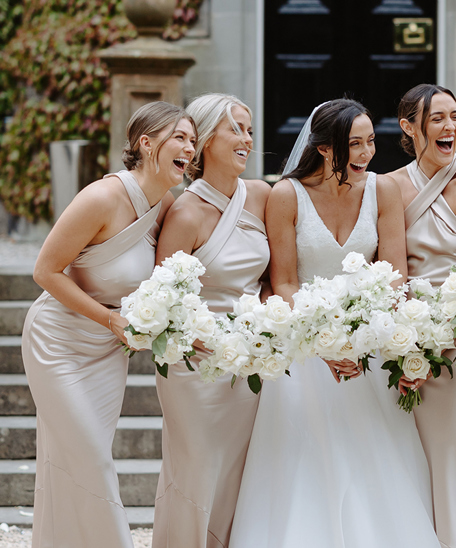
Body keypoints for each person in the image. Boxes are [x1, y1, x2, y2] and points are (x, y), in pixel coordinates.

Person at [228, 99, 440, 548]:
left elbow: (395, 274)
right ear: (324, 149)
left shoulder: (383, 191)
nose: (366, 154)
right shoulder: (288, 195)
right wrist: (325, 340)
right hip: (307, 349)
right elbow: (283, 282)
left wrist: (375, 341)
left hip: (371, 345)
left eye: (370, 142)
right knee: (308, 464)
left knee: (376, 462)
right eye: (354, 145)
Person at [21, 101, 196, 548]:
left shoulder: (166, 204)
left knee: (72, 461)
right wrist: (111, 319)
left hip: (104, 353)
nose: (190, 149)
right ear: (147, 142)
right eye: (181, 138)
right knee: (92, 460)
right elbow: (44, 271)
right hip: (58, 340)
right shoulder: (101, 197)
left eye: (193, 141)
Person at [151, 94, 270, 548]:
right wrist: (200, 341)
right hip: (194, 364)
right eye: (236, 129)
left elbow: (273, 281)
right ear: (203, 141)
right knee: (195, 467)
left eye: (249, 129)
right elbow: (165, 302)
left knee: (237, 470)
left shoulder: (259, 196)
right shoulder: (185, 213)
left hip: (250, 357)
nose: (247, 139)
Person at [382, 83, 456, 548]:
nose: (449, 126)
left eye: (455, 116)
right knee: (403, 457)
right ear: (409, 127)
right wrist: (408, 341)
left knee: (453, 455)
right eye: (437, 119)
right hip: (405, 336)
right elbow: (392, 268)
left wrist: (447, 336)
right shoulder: (389, 186)